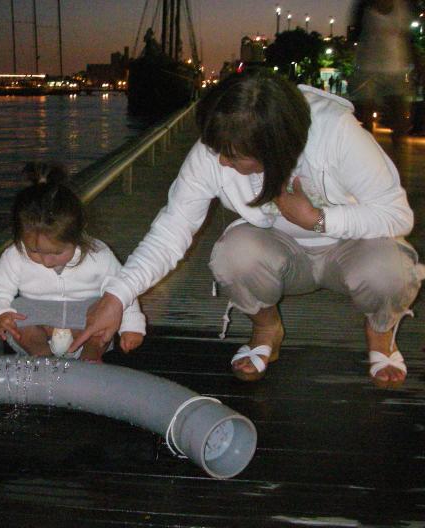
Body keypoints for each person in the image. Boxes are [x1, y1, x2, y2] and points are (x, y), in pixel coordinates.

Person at [70, 69, 424, 388]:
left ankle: (380, 333)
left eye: (233, 155)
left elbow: (397, 214)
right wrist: (117, 296)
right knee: (233, 254)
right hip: (280, 250)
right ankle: (266, 328)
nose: (221, 161)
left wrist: (319, 219)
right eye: (217, 150)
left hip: (351, 247)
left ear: (275, 148)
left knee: (391, 270)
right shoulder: (217, 148)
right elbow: (172, 229)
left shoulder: (335, 131)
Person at [0, 162, 146, 361]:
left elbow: (122, 288)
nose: (46, 261)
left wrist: (132, 326)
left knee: (102, 318)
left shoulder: (98, 254)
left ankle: (91, 356)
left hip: (85, 316)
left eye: (56, 253)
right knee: (18, 315)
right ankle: (40, 355)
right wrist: (0, 313)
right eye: (34, 251)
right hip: (39, 317)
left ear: (77, 236)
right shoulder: (14, 256)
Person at [349, 0, 414, 139]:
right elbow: (354, 33)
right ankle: (366, 148)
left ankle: (398, 149)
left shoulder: (402, 6)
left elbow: (408, 37)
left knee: (400, 119)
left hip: (395, 68)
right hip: (368, 68)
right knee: (366, 119)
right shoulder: (364, 6)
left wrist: (416, 62)